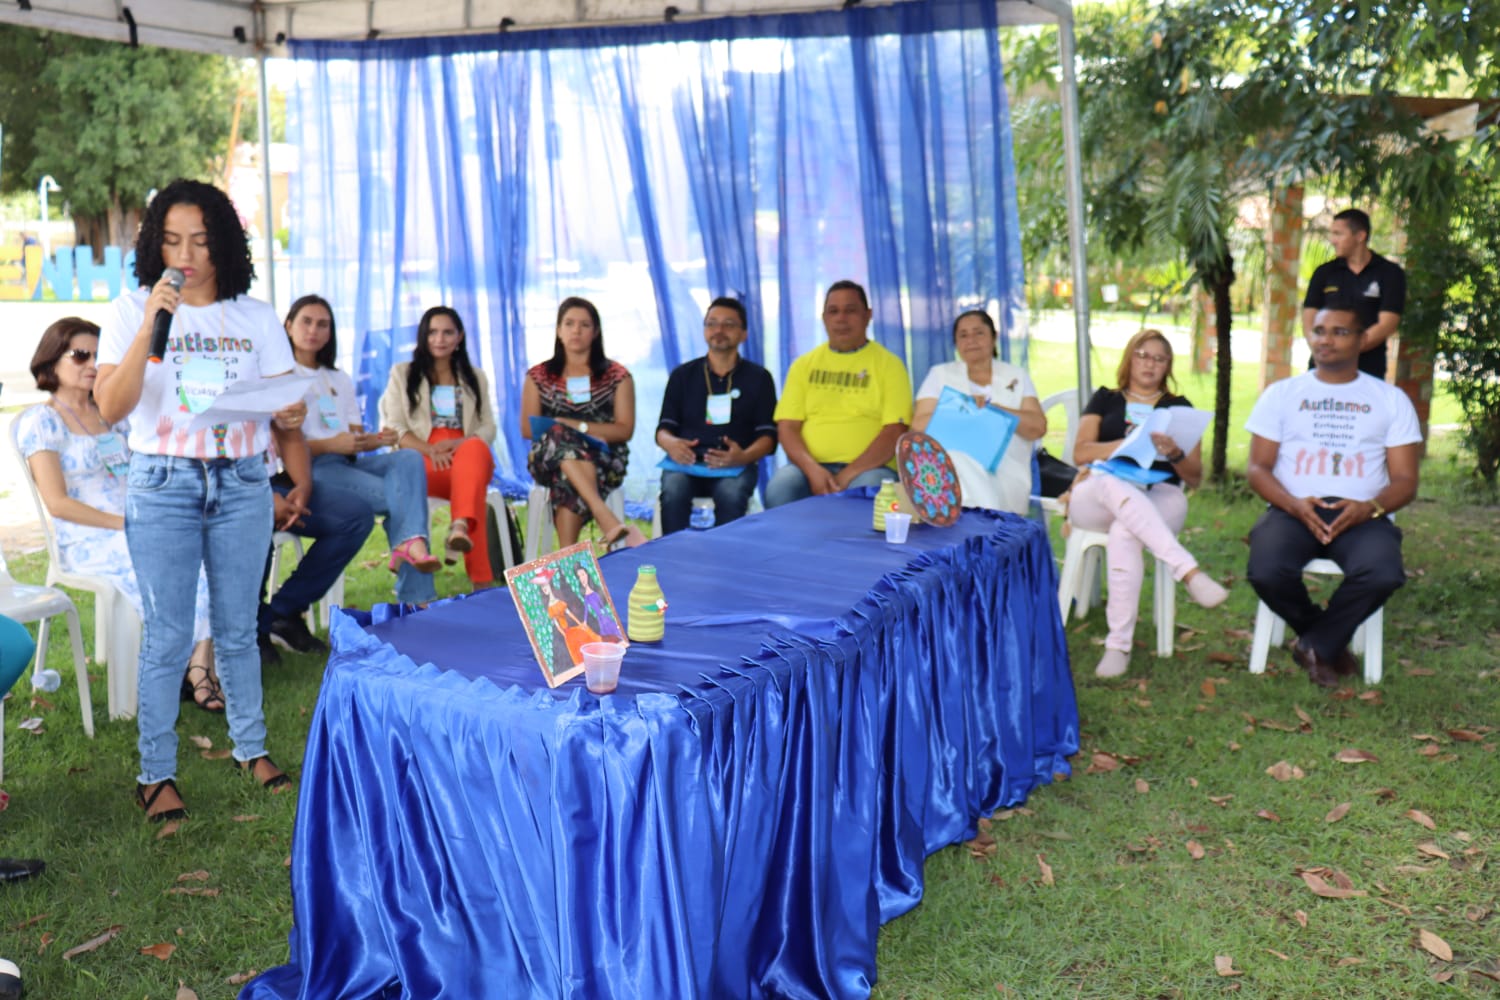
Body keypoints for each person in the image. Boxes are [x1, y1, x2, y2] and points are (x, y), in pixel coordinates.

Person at [94, 178, 301, 821]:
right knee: (170, 634)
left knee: (237, 628)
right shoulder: (133, 310)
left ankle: (250, 748)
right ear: (155, 243)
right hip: (164, 483)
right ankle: (155, 774)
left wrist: (288, 407)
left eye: (201, 241)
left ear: (225, 246)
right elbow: (111, 405)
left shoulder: (256, 316)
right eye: (172, 239)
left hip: (241, 480)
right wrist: (155, 322)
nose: (185, 254)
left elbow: (287, 403)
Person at [17, 318, 223, 712]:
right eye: (80, 355)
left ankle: (197, 663)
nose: (92, 363)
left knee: (210, 552)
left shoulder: (115, 415)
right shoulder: (41, 422)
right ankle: (193, 668)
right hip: (87, 536)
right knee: (168, 563)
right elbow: (57, 503)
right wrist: (125, 524)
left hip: (140, 520)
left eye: (99, 355)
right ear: (51, 360)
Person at [1246, 302, 1421, 687]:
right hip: (1292, 510)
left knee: (1383, 573)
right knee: (1266, 569)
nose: (1326, 340)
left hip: (1364, 515)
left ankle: (1315, 643)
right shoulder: (1282, 394)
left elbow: (1406, 480)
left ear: (1363, 340)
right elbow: (1257, 468)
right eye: (1319, 331)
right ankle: (1324, 641)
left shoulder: (1389, 400)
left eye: (1340, 332)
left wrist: (1369, 508)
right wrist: (1291, 503)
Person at [1067, 329, 1229, 679]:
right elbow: (1080, 452)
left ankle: (1118, 646)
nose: (1149, 363)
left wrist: (1174, 452)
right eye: (1142, 354)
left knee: (1127, 530)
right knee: (1113, 482)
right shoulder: (1105, 398)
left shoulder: (1178, 408)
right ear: (1129, 357)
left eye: (1159, 358)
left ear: (1168, 366)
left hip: (1160, 494)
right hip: (1097, 494)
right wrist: (1127, 444)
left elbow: (1195, 476)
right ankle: (1188, 570)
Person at [284, 294, 438, 607]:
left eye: (322, 324)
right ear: (288, 326)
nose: (314, 330)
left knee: (407, 457)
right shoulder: (280, 377)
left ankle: (410, 552)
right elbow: (278, 445)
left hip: (348, 462)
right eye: (306, 321)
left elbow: (354, 437)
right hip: (313, 469)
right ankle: (418, 599)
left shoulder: (338, 378)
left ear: (330, 333)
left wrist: (375, 440)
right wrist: (330, 444)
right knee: (405, 498)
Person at [379, 306, 499, 590]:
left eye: (448, 332)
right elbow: (394, 426)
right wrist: (429, 449)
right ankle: (481, 582)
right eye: (433, 332)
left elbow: (488, 427)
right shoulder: (402, 374)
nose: (440, 339)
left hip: (466, 459)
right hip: (420, 462)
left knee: (475, 450)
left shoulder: (475, 376)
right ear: (423, 336)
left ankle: (458, 527)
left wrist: (459, 443)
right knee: (474, 492)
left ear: (459, 337)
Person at [765, 280, 912, 507]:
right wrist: (813, 470)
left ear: (867, 315)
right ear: (824, 318)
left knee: (869, 491)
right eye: (833, 312)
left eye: (850, 311)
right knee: (780, 488)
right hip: (808, 468)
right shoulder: (803, 365)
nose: (841, 319)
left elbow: (895, 431)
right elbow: (787, 428)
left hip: (870, 470)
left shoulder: (890, 365)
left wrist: (848, 474)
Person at [521, 297, 646, 551]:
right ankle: (605, 518)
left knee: (567, 478)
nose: (576, 331)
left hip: (605, 459)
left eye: (584, 325)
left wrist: (576, 426)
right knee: (558, 435)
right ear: (558, 330)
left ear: (596, 332)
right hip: (548, 457)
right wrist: (564, 430)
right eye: (568, 324)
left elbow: (624, 429)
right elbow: (527, 428)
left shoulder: (617, 376)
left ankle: (569, 558)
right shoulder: (538, 376)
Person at [655, 296, 778, 533]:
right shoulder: (683, 375)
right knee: (673, 490)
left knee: (731, 494)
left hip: (735, 466)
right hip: (686, 464)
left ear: (744, 334)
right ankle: (671, 560)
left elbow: (769, 437)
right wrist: (672, 444)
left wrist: (743, 456)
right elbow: (663, 429)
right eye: (712, 324)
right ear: (704, 331)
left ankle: (725, 564)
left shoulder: (759, 378)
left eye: (729, 324)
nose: (719, 330)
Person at [910, 309, 1047, 515]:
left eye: (978, 333)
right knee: (961, 462)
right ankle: (986, 522)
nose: (971, 340)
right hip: (951, 469)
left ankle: (984, 521)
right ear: (956, 343)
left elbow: (1037, 427)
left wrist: (994, 410)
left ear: (994, 337)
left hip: (1006, 470)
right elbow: (919, 426)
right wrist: (964, 409)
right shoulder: (940, 375)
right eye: (963, 335)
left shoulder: (1015, 375)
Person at [1301, 208, 1406, 379]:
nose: (1332, 240)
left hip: (1369, 369)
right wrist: (1324, 347)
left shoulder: (1390, 273)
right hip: (1323, 367)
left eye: (1338, 234)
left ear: (1360, 236)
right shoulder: (1324, 273)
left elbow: (1388, 323)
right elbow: (1309, 319)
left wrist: (1347, 348)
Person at [572, 564, 623, 641]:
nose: (582, 578)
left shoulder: (596, 591)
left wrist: (610, 615)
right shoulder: (586, 597)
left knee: (614, 630)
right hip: (600, 620)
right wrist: (585, 622)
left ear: (587, 574)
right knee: (607, 635)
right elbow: (586, 610)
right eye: (579, 576)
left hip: (605, 617)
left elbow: (602, 604)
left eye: (583, 574)